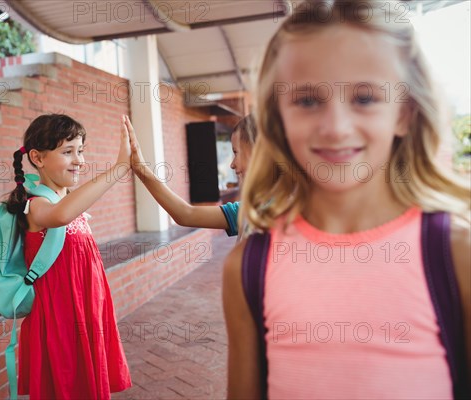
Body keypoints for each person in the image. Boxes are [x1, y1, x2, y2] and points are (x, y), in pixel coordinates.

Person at [223, 1, 470, 399]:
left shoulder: (455, 254)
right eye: (306, 101)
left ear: (404, 113)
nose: (336, 128)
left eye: (365, 98)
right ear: (277, 117)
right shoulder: (249, 266)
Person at [5, 114, 133, 399]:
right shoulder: (37, 205)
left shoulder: (67, 201)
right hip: (59, 321)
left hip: (86, 313)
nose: (80, 161)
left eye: (81, 151)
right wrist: (120, 168)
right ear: (37, 158)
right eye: (68, 152)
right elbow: (60, 216)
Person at [128, 115, 257, 240]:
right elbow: (186, 214)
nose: (232, 164)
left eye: (236, 152)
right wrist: (140, 169)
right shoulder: (247, 210)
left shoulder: (272, 212)